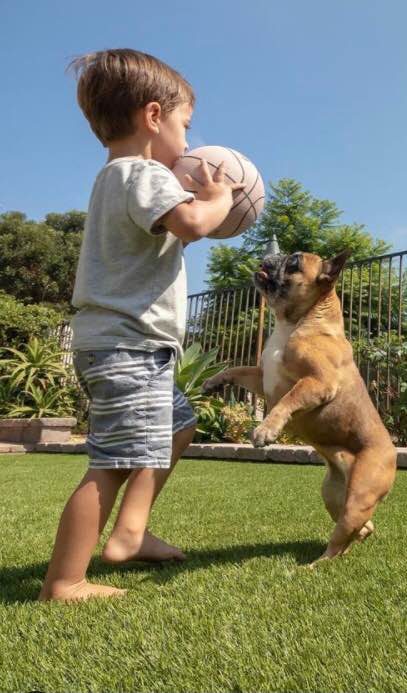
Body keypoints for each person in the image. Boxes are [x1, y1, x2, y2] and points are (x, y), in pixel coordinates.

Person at [40, 49, 244, 601]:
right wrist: (220, 196)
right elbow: (193, 223)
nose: (188, 138)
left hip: (126, 347)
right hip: (128, 348)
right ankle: (65, 582)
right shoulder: (143, 173)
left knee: (180, 422)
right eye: (185, 125)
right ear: (153, 117)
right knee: (114, 461)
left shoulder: (117, 176)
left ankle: (130, 533)